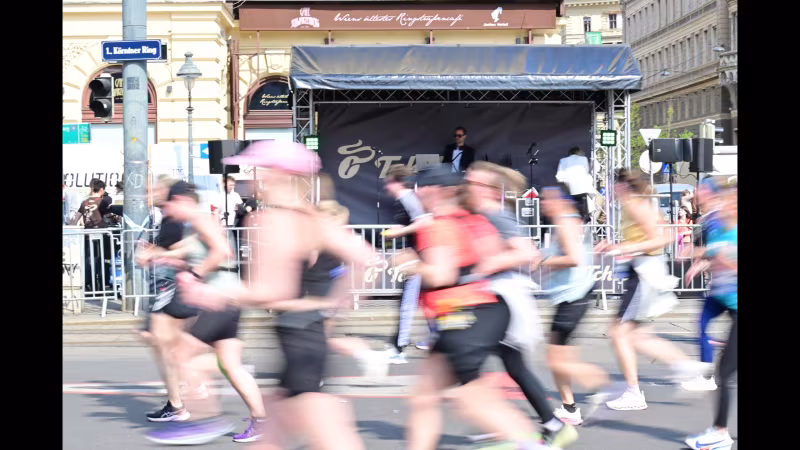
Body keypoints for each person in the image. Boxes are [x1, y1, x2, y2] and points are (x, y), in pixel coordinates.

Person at [178, 140, 372, 450]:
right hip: (304, 340)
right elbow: (365, 256)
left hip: (299, 344)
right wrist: (333, 303)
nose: (249, 176)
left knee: (332, 438)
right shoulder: (313, 216)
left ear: (275, 174)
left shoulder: (274, 219)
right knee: (276, 439)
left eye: (255, 169)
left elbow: (273, 291)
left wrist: (216, 294)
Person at [395, 165, 545, 450]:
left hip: (461, 315)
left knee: (472, 402)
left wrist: (406, 262)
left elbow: (441, 275)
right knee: (424, 398)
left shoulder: (437, 225)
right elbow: (491, 256)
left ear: (433, 191)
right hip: (483, 310)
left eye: (420, 188)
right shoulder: (473, 220)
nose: (418, 194)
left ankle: (534, 445)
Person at [142, 181, 268, 445]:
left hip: (218, 300)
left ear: (181, 200)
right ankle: (261, 421)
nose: (168, 210)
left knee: (180, 354)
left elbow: (221, 251)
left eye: (170, 204)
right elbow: (188, 252)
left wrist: (194, 275)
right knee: (231, 366)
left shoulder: (201, 220)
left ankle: (205, 421)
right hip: (227, 301)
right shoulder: (197, 224)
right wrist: (158, 256)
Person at [464, 162, 578, 448]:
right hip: (491, 298)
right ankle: (541, 425)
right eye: (467, 182)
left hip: (505, 299)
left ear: (489, 190)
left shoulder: (498, 216)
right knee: (508, 365)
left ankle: (520, 427)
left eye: (474, 184)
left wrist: (488, 264)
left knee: (473, 363)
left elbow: (528, 252)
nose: (468, 188)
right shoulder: (481, 215)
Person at [591, 169, 709, 413]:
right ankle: (686, 367)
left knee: (618, 333)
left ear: (623, 187)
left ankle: (634, 392)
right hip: (643, 271)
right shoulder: (635, 204)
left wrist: (622, 249)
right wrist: (617, 246)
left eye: (614, 185)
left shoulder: (636, 205)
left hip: (644, 274)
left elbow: (661, 238)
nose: (611, 190)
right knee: (638, 336)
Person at [536, 183, 610, 427]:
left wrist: (543, 259)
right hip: (571, 295)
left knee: (556, 358)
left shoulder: (566, 223)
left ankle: (604, 385)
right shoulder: (570, 220)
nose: (543, 204)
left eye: (546, 200)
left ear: (560, 200)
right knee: (558, 356)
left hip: (573, 297)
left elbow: (573, 259)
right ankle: (569, 408)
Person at [684, 180, 737, 450]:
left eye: (732, 204)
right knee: (725, 371)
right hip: (726, 300)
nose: (726, 207)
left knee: (725, 373)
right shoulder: (720, 230)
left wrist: (714, 256)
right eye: (726, 202)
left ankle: (720, 433)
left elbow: (729, 260)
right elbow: (715, 255)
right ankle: (719, 431)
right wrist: (702, 259)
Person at [382, 164, 433, 360]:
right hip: (420, 255)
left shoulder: (407, 198)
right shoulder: (408, 199)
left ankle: (399, 348)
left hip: (420, 257)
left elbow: (425, 222)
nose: (386, 186)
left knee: (407, 302)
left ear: (394, 182)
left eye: (388, 182)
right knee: (423, 300)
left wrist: (399, 232)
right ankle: (433, 338)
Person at [681, 177, 727, 391]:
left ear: (710, 193)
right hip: (722, 284)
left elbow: (719, 249)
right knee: (702, 324)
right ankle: (707, 376)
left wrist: (697, 261)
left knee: (703, 325)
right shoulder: (708, 217)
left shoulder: (717, 217)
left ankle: (708, 377)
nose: (696, 194)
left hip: (729, 284)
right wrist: (697, 265)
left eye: (700, 191)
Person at [555, 147, 593, 223]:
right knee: (582, 211)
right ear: (577, 152)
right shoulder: (584, 159)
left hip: (568, 190)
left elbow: (559, 176)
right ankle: (583, 224)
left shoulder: (563, 160)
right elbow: (587, 171)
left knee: (568, 212)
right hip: (582, 190)